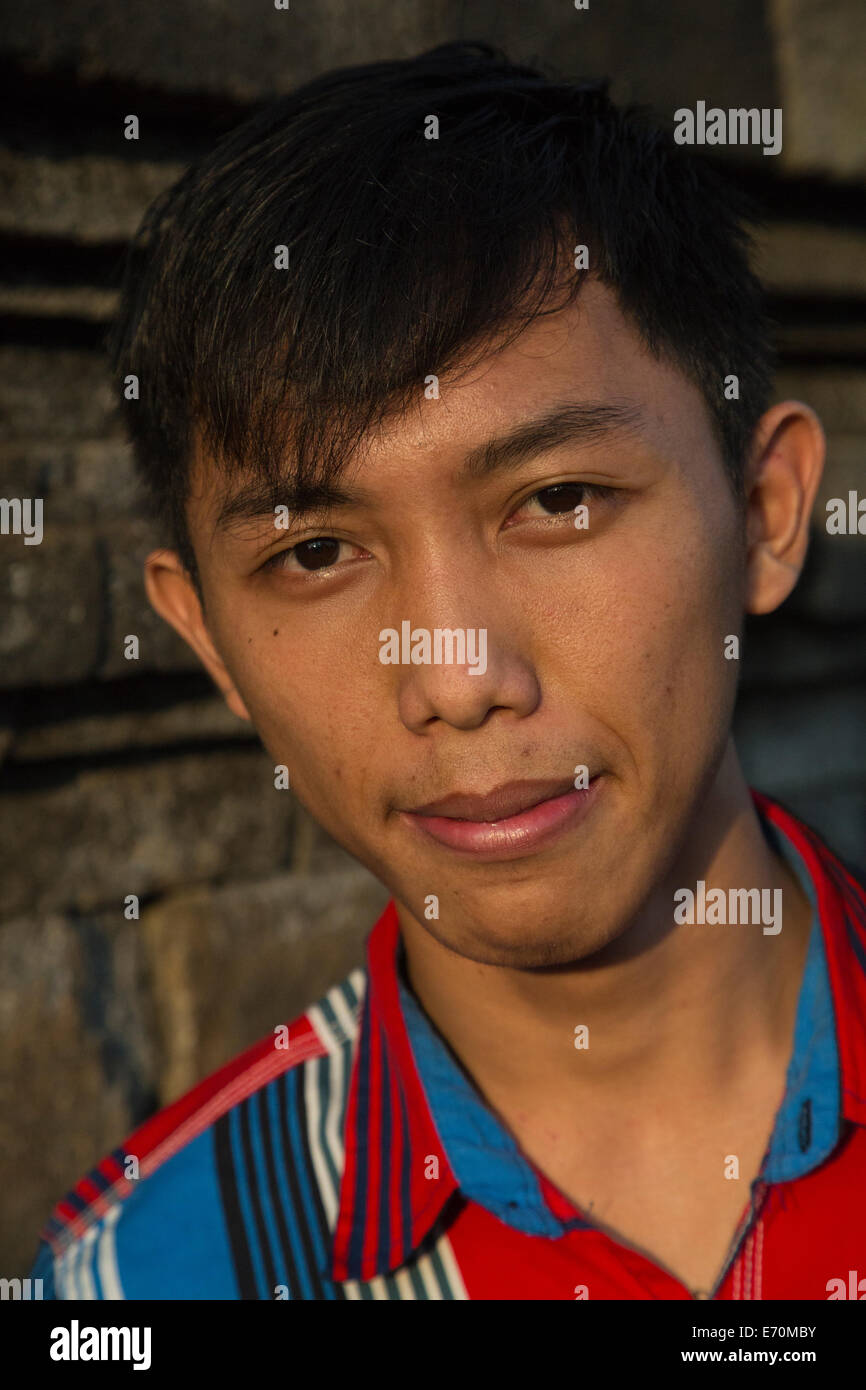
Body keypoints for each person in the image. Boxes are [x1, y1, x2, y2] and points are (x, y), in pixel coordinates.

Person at [30, 40, 866, 1301]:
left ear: (762, 512)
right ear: (208, 640)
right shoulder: (139, 1283)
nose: (458, 676)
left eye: (559, 499)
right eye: (315, 552)